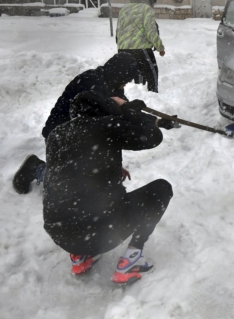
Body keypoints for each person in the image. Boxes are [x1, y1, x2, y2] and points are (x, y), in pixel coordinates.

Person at [43, 91, 174, 284]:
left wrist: (109, 166)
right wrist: (130, 111)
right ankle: (132, 262)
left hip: (61, 233)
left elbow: (69, 169)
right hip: (102, 232)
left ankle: (80, 257)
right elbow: (153, 136)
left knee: (76, 203)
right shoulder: (105, 125)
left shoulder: (56, 135)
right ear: (104, 110)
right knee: (162, 189)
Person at [12, 52, 139, 195]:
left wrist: (156, 121)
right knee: (73, 188)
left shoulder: (112, 84)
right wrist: (109, 165)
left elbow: (121, 117)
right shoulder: (92, 84)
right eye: (126, 79)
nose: (126, 84)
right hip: (60, 136)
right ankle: (35, 168)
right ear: (119, 74)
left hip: (79, 136)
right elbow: (100, 129)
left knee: (95, 180)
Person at [116, 0, 165, 93]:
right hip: (141, 49)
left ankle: (137, 95)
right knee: (152, 73)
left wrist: (122, 46)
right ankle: (153, 96)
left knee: (136, 74)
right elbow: (151, 31)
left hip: (123, 49)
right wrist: (160, 47)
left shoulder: (123, 10)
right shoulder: (146, 9)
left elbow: (119, 31)